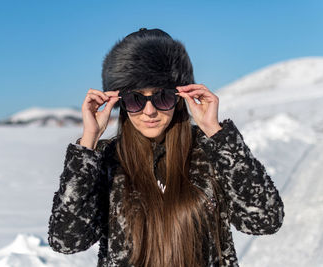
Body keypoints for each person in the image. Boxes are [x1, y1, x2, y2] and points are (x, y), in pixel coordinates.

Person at [48, 28, 284, 267]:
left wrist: (216, 132)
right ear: (121, 104)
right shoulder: (108, 160)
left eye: (162, 97)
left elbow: (265, 220)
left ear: (180, 97)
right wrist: (88, 142)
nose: (149, 111)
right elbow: (67, 240)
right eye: (135, 99)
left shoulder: (209, 152)